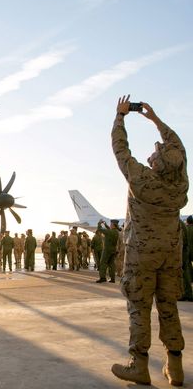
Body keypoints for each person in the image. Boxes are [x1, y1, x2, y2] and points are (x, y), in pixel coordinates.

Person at [109, 96, 188, 386]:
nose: (152, 154)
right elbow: (178, 147)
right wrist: (156, 120)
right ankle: (175, 367)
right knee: (168, 307)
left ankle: (139, 365)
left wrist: (120, 117)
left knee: (139, 308)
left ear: (156, 164)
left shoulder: (141, 178)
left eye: (156, 154)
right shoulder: (180, 184)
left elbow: (120, 149)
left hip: (141, 254)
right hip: (170, 253)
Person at [179, 217, 193, 301]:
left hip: (182, 253)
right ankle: (188, 293)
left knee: (184, 274)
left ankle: (185, 293)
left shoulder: (182, 225)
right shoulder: (182, 225)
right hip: (186, 252)